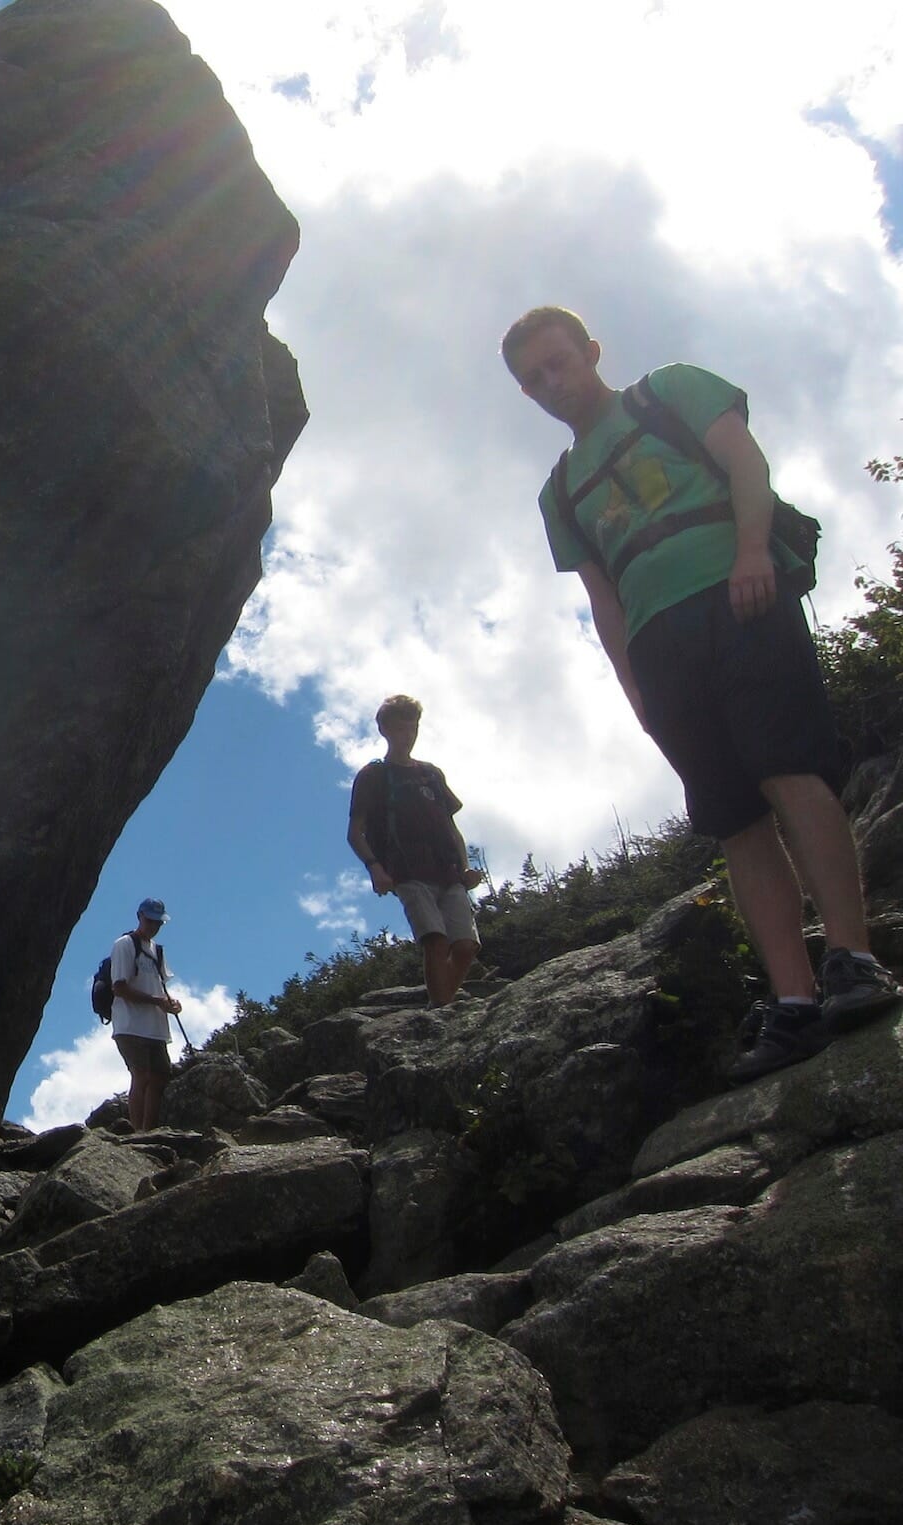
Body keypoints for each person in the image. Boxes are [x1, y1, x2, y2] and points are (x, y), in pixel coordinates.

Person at [501, 305, 897, 1081]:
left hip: (739, 595)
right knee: (734, 819)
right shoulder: (561, 492)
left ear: (591, 350)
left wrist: (752, 551)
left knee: (789, 771)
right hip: (660, 648)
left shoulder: (670, 392)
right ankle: (794, 1001)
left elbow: (746, 463)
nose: (552, 383)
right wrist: (636, 692)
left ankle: (854, 959)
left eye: (559, 362)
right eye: (534, 378)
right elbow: (603, 598)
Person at [347, 695, 487, 1007]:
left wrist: (465, 866)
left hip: (448, 870)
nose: (407, 736)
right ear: (384, 730)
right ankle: (442, 1011)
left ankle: (441, 1004)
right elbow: (355, 832)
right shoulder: (374, 775)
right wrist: (375, 868)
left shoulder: (431, 774)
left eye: (412, 728)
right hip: (407, 871)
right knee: (435, 940)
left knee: (466, 946)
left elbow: (451, 827)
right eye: (400, 729)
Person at [110, 897, 181, 1132]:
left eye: (158, 922)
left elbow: (159, 986)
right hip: (130, 1024)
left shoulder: (157, 951)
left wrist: (170, 1003)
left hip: (155, 1028)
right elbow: (119, 987)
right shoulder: (125, 944)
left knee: (159, 1077)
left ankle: (149, 1131)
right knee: (141, 1076)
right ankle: (138, 1132)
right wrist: (157, 1002)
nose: (154, 926)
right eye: (150, 920)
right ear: (140, 916)